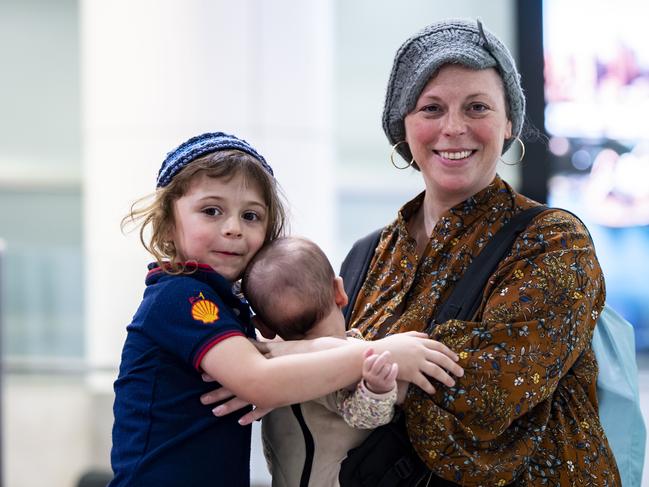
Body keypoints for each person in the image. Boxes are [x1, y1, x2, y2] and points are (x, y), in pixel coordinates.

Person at [338, 18, 621, 486]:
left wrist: (349, 370)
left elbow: (492, 386)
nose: (454, 128)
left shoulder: (553, 240)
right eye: (431, 108)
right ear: (401, 125)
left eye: (477, 107)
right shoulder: (366, 257)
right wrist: (378, 365)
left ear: (509, 121)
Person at [108, 131, 463, 486]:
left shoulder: (220, 300)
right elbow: (259, 380)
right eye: (211, 211)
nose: (233, 228)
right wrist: (378, 352)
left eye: (251, 216)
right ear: (169, 224)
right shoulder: (182, 296)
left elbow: (263, 358)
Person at [242, 236, 408, 487]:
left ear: (263, 327)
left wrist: (375, 388)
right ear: (339, 292)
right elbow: (367, 417)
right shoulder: (332, 362)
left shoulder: (277, 363)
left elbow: (364, 415)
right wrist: (377, 389)